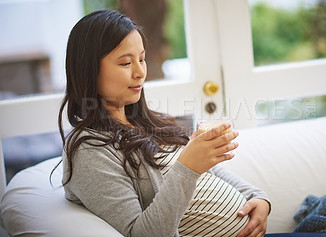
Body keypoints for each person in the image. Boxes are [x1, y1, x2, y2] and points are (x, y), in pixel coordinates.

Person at [57, 9, 271, 237]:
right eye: (126, 63)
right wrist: (187, 167)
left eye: (141, 59)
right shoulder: (89, 150)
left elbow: (208, 174)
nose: (140, 72)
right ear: (88, 70)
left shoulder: (146, 122)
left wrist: (257, 198)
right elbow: (141, 234)